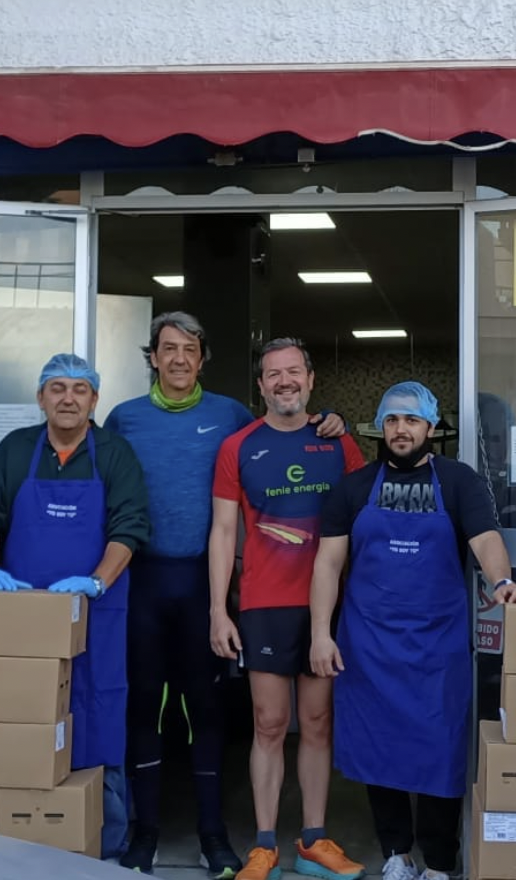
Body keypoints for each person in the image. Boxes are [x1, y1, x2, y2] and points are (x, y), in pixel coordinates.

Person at [106, 314, 352, 877]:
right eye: (167, 349)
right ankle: (145, 835)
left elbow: (287, 436)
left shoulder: (230, 417)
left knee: (208, 712)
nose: (177, 359)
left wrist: (330, 421)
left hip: (206, 584)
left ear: (202, 358)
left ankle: (215, 836)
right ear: (152, 357)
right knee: (146, 708)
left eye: (188, 349)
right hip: (144, 582)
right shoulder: (124, 419)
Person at [311, 382, 516, 880]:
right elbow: (328, 565)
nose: (401, 429)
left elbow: (486, 538)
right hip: (368, 642)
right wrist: (320, 633)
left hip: (438, 645)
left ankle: (437, 861)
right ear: (381, 428)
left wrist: (502, 581)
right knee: (378, 748)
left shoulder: (458, 482)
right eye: (392, 421)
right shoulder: (352, 488)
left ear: (430, 428)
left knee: (442, 750)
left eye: (412, 421)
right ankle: (397, 852)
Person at [0, 353, 150, 859]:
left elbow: (130, 526)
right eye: (57, 388)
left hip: (96, 612)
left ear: (95, 399)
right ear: (40, 398)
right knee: (23, 711)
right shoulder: (16, 449)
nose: (68, 398)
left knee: (99, 708)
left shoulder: (114, 453)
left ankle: (107, 842)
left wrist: (96, 582)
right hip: (22, 613)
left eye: (79, 389)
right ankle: (21, 836)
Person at [207, 338, 365, 880]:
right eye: (273, 374)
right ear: (261, 386)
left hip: (327, 606)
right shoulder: (238, 447)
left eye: (293, 371)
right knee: (269, 723)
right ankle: (266, 845)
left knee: (318, 723)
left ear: (311, 378)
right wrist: (217, 610)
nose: (284, 382)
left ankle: (315, 839)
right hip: (264, 602)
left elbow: (363, 524)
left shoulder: (339, 445)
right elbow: (224, 531)